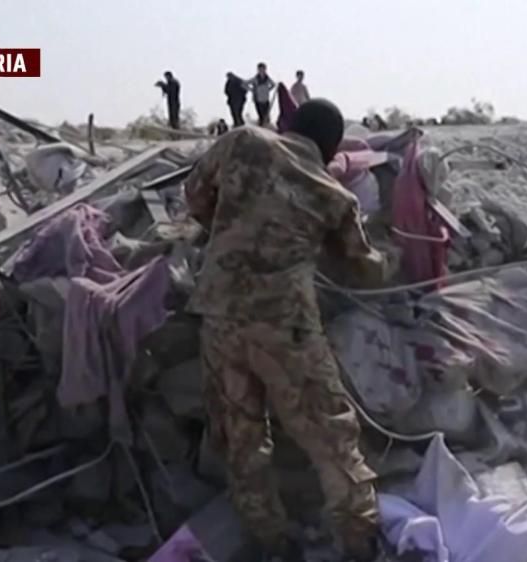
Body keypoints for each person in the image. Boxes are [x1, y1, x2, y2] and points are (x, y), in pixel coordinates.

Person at [184, 99, 391, 562]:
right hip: (286, 326)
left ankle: (270, 543)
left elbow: (195, 194)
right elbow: (361, 267)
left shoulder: (242, 141)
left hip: (219, 315)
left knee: (240, 437)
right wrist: (387, 259)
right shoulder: (334, 195)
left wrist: (227, 230)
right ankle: (359, 540)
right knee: (331, 436)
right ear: (332, 149)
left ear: (290, 124)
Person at [247, 62, 276, 127]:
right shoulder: (255, 79)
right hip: (258, 99)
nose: (262, 71)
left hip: (266, 99)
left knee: (267, 116)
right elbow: (244, 84)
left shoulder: (267, 78)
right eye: (260, 69)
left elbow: (273, 84)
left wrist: (268, 89)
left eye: (263, 69)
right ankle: (261, 126)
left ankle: (266, 127)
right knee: (261, 116)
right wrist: (252, 90)